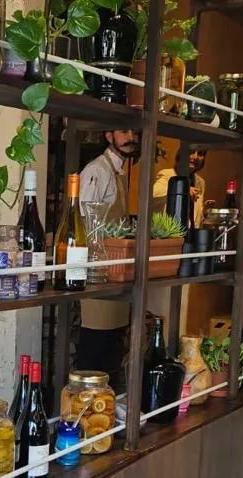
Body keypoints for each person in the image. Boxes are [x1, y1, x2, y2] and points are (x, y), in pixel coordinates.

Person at [77, 129, 140, 389]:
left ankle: (106, 405)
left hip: (114, 270)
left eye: (134, 132)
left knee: (112, 350)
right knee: (94, 349)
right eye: (124, 132)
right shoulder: (97, 170)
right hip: (96, 270)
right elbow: (83, 219)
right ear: (108, 136)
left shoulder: (118, 171)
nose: (131, 137)